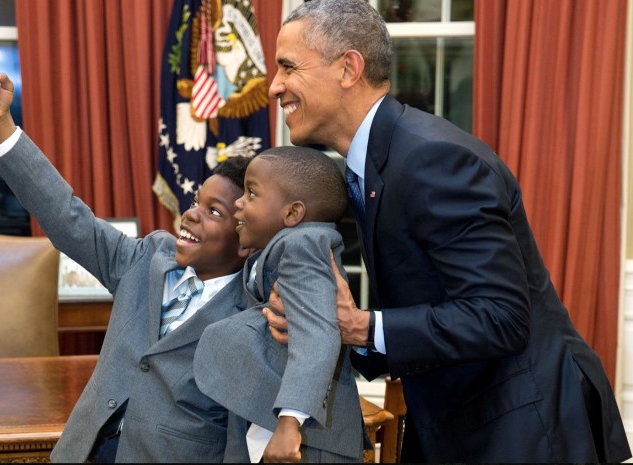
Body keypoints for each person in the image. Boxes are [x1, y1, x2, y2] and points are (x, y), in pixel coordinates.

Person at [261, 0, 632, 463]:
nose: (274, 86)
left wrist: (361, 326)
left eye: (287, 67)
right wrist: (328, 332)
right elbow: (428, 309)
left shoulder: (431, 160)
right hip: (458, 424)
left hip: (523, 429)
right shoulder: (373, 165)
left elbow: (501, 318)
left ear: (348, 68)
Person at [0, 46, 255, 463]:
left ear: (246, 235)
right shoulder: (149, 257)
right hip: (85, 450)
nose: (192, 215)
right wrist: (2, 124)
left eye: (213, 212)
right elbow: (68, 218)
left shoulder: (252, 309)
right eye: (196, 201)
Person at [193, 146, 364, 463]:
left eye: (252, 193)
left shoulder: (304, 244)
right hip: (259, 422)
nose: (239, 203)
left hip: (306, 440)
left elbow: (317, 333)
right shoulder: (271, 249)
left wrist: (289, 423)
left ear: (292, 214)